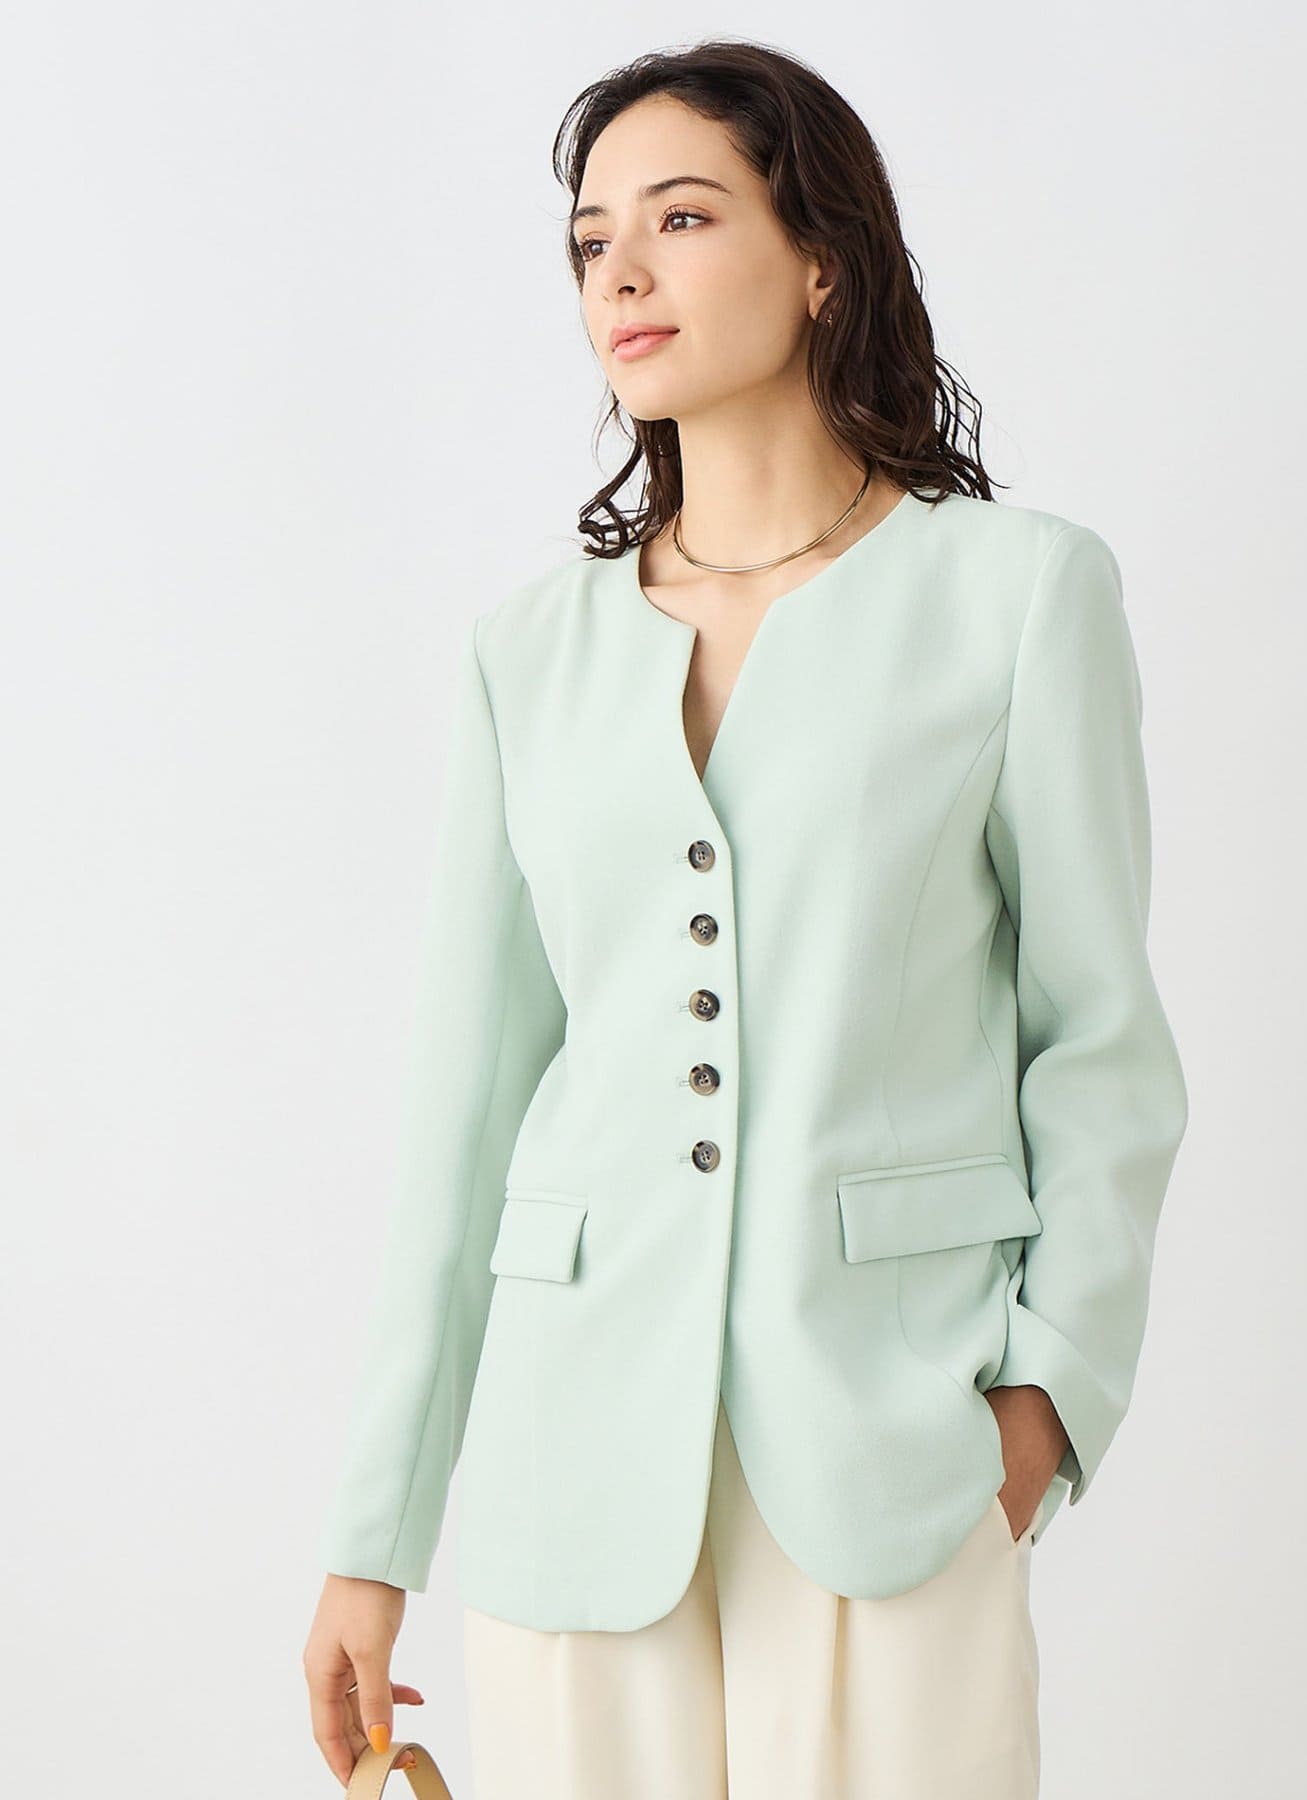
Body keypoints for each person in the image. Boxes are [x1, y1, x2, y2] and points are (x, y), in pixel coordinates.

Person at [304, 38, 1189, 1800]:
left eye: (683, 218)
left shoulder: (1016, 599)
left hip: (894, 1451)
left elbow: (1100, 1045)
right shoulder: (527, 655)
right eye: (591, 241)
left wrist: (1043, 1405)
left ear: (822, 261)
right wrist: (374, 1533)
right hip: (572, 1461)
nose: (620, 273)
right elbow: (466, 1111)